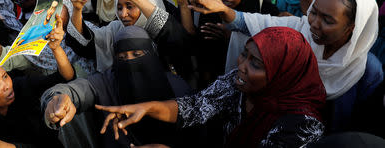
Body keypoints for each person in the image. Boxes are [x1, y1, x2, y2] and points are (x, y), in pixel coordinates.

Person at [182, 0, 382, 132]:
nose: (314, 23)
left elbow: (363, 128)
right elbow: (252, 23)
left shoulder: (368, 72)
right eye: (314, 12)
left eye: (327, 20)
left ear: (352, 28)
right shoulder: (300, 30)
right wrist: (222, 9)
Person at [94, 27, 326, 147]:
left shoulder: (302, 126)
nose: (242, 66)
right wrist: (146, 108)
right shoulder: (238, 84)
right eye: (244, 54)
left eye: (255, 63)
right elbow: (196, 107)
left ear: (281, 75)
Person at [42, 26, 197, 147]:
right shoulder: (107, 81)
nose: (130, 63)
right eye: (122, 57)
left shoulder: (177, 87)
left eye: (137, 55)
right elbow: (78, 90)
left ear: (151, 54)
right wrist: (58, 99)